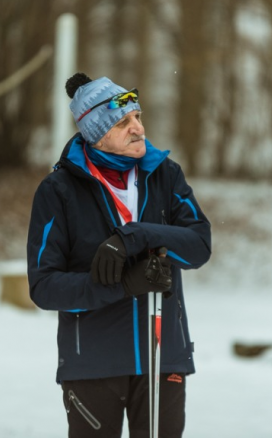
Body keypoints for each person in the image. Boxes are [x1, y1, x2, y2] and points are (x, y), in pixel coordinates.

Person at [27, 73, 211, 437]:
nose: (137, 128)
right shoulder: (58, 191)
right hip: (93, 363)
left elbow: (199, 245)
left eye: (138, 117)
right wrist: (122, 284)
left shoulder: (165, 175)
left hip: (163, 358)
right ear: (96, 132)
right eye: (123, 121)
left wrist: (137, 235)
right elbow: (44, 286)